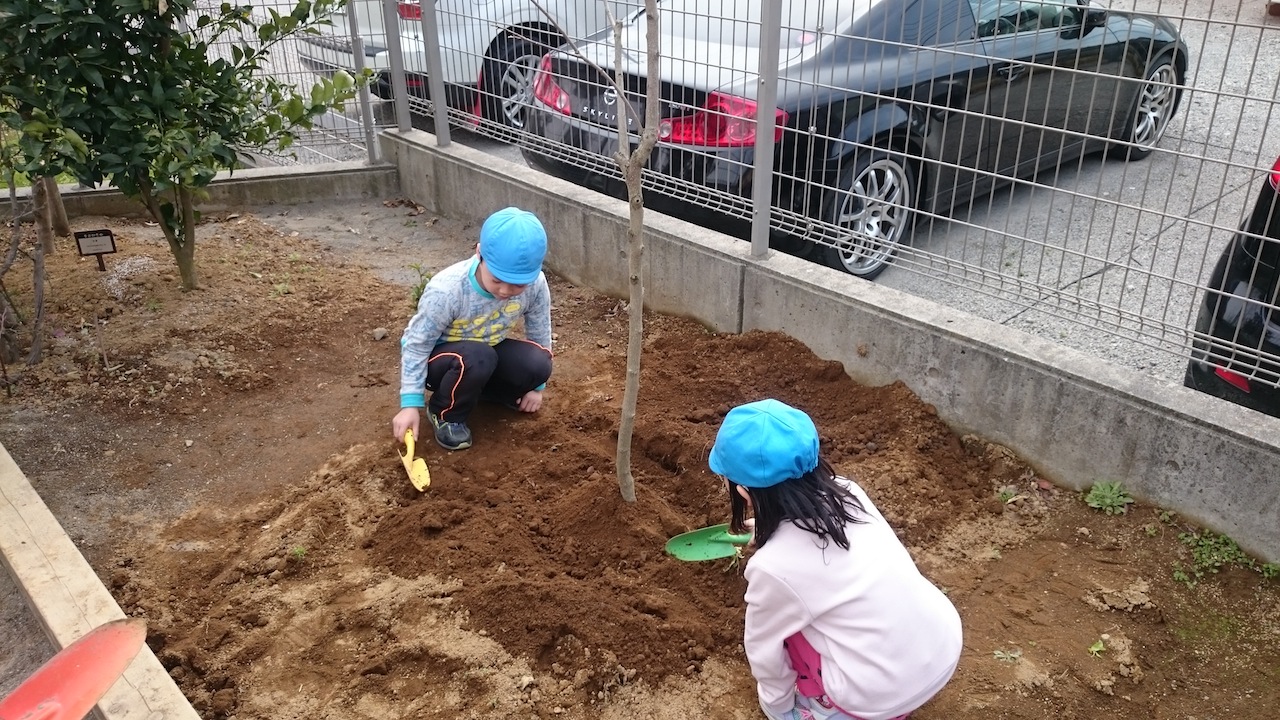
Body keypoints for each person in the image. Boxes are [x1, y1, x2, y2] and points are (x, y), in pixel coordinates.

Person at [708, 399, 962, 720]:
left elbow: (763, 651)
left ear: (744, 493)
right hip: (940, 648)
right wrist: (771, 529)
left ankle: (821, 710)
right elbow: (815, 549)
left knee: (788, 631)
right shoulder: (849, 492)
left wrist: (778, 710)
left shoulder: (772, 568)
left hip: (879, 697)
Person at [392, 207, 553, 451]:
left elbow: (540, 330)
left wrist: (535, 387)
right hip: (440, 362)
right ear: (479, 254)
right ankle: (445, 413)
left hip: (483, 353)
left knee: (538, 362)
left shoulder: (536, 285)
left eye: (518, 285)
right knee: (478, 356)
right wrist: (409, 404)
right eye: (497, 280)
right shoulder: (447, 291)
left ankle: (483, 393)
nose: (505, 292)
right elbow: (417, 344)